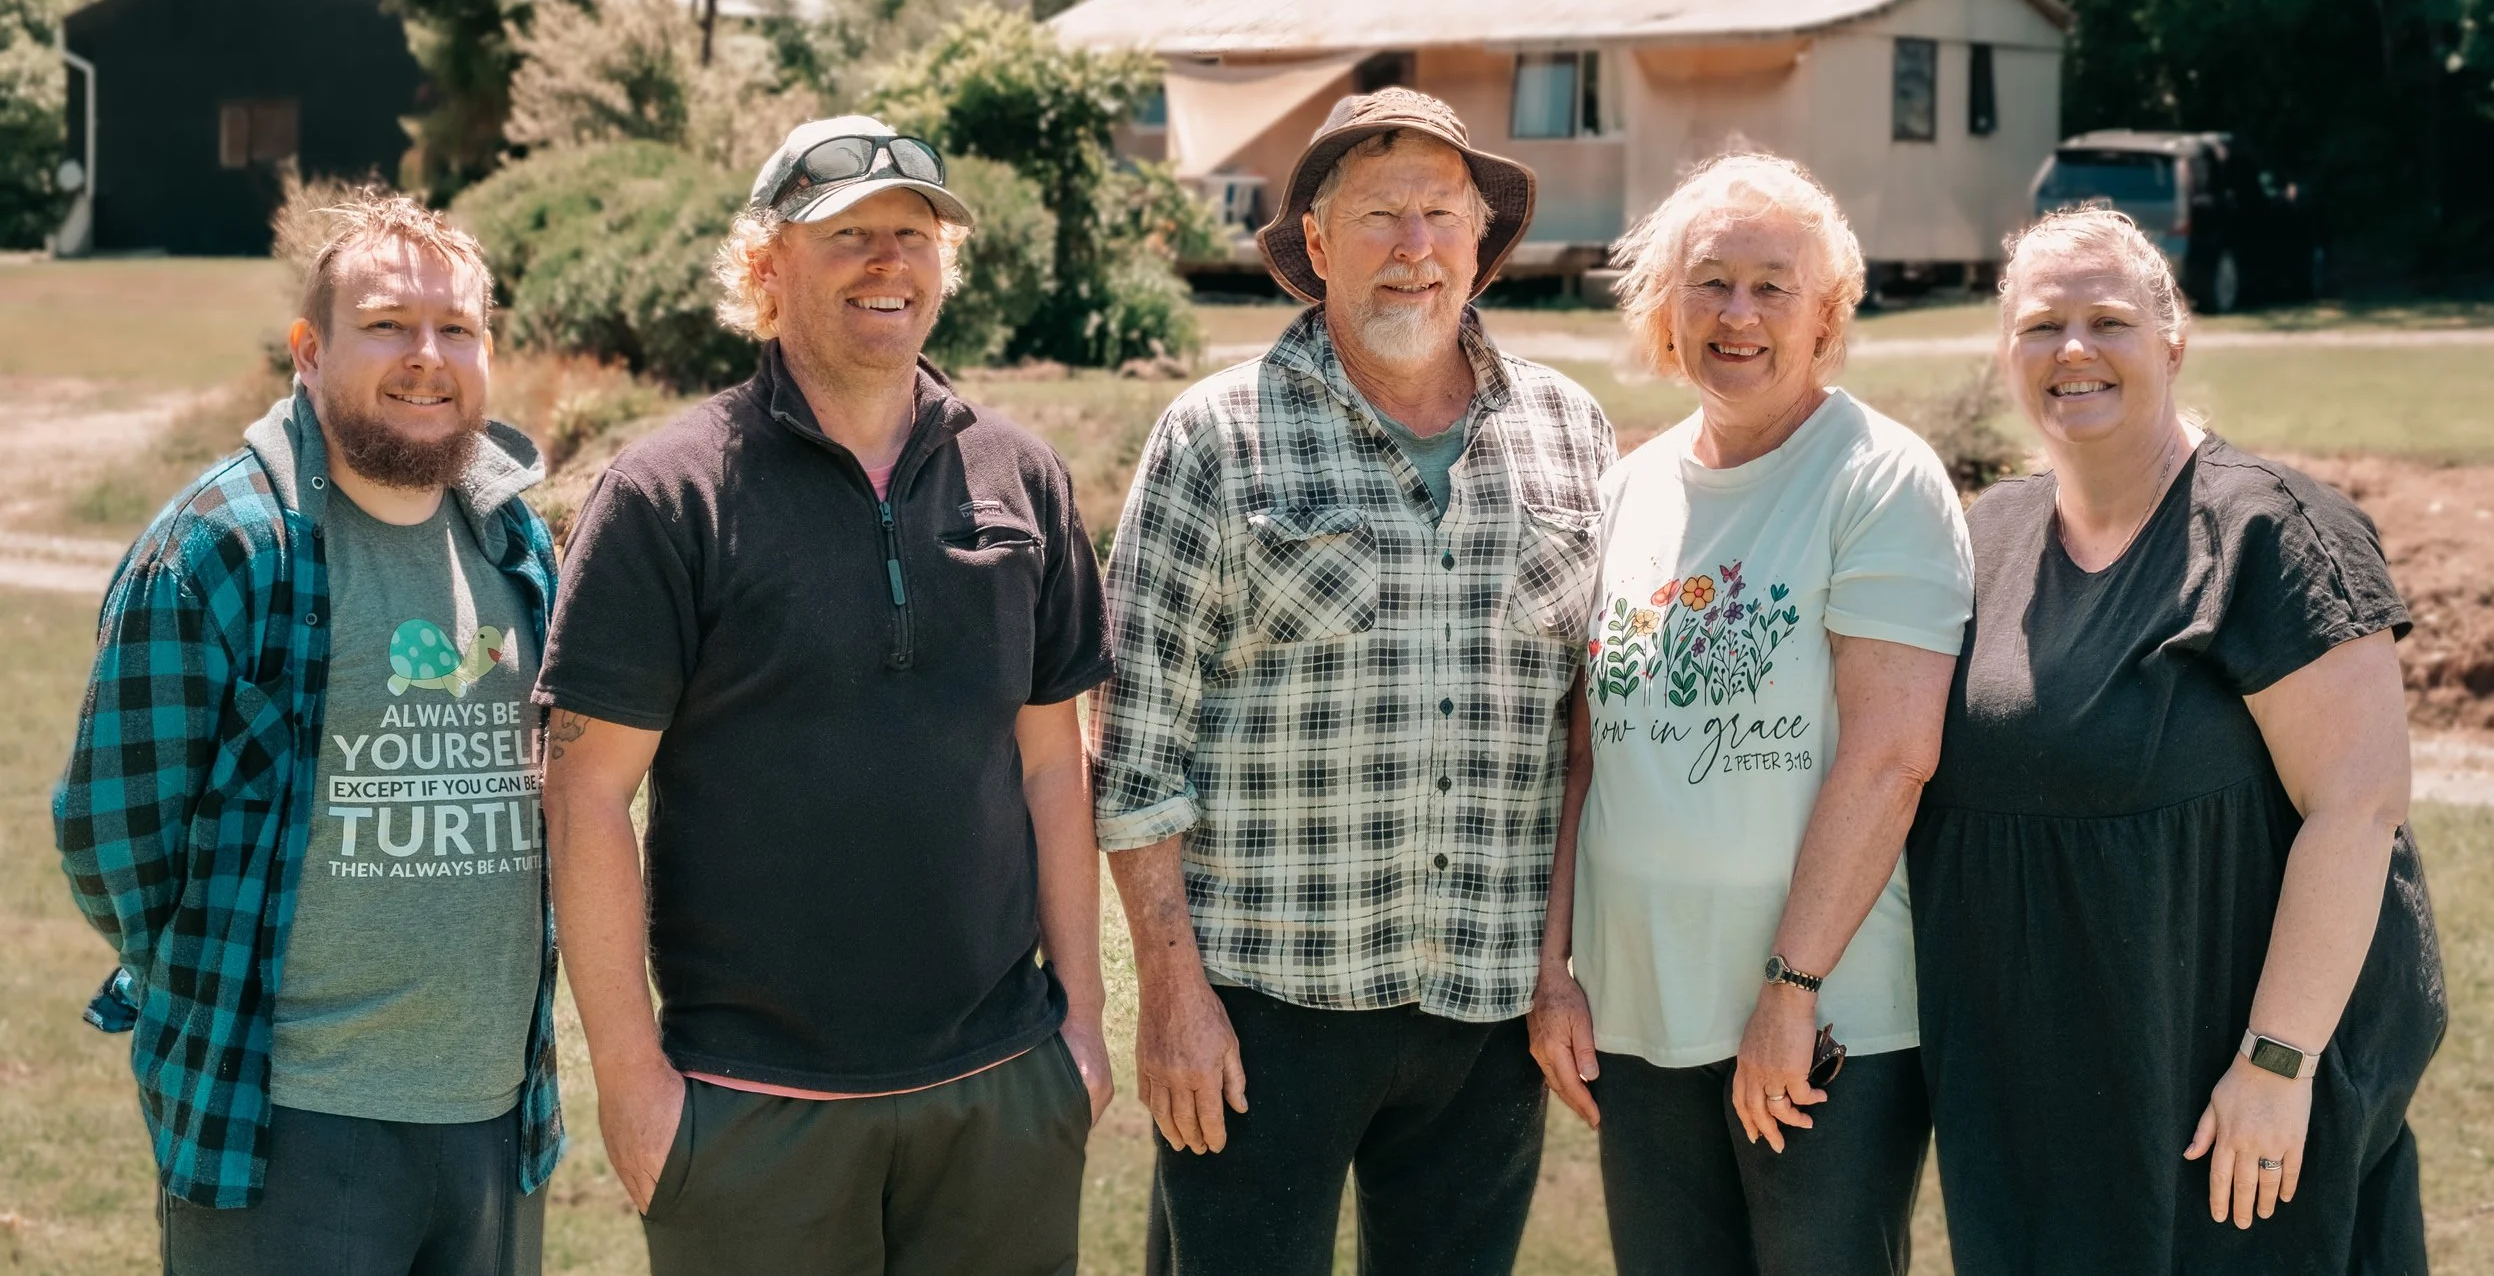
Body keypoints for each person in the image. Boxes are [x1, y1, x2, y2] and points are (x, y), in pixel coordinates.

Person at [537, 115, 1114, 1276]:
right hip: (751, 1109)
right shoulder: (669, 493)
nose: (886, 260)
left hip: (999, 1092)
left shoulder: (1022, 478)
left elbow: (1055, 763)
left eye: (912, 233)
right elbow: (587, 794)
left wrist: (1084, 1032)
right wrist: (635, 1083)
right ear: (769, 265)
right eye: (846, 233)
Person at [1094, 86, 1616, 1276]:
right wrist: (1172, 994)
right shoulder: (1215, 434)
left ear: (1480, 243)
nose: (1414, 247)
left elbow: (1588, 731)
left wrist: (1557, 968)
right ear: (1317, 244)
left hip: (1489, 1010)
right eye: (1379, 215)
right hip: (1265, 1003)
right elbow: (1134, 748)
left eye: (1441, 213)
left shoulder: (1570, 430)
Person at [1907, 206, 2443, 1274]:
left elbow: (2359, 807)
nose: (2072, 348)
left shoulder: (2268, 534)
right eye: (2038, 324)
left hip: (2227, 1106)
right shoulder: (1980, 538)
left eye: (2107, 318)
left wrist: (2277, 1063)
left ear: (2172, 337)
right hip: (2033, 1105)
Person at [55, 191, 562, 1276]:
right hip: (287, 1120)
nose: (427, 357)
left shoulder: (514, 535)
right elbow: (109, 838)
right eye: (386, 323)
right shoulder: (220, 547)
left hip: (495, 1108)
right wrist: (209, 976)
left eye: (457, 329)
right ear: (308, 349)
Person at [1527, 154, 1974, 1276]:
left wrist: (1792, 987)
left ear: (1826, 313)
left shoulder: (1878, 479)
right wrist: (1554, 969)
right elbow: (1587, 751)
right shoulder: (1630, 486)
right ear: (1662, 306)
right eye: (1708, 280)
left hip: (1825, 1025)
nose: (1736, 312)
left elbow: (1889, 759)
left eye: (1772, 285)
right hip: (1637, 1011)